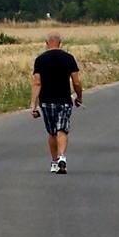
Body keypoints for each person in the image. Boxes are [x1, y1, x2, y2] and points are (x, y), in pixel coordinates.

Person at [29, 32, 83, 173]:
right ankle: (62, 157)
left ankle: (54, 162)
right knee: (62, 129)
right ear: (60, 43)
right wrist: (79, 96)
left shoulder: (40, 60)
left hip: (46, 101)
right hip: (64, 100)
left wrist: (33, 105)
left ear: (46, 43)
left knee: (52, 132)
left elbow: (37, 83)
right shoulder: (68, 58)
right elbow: (76, 81)